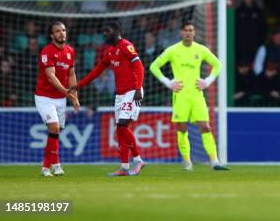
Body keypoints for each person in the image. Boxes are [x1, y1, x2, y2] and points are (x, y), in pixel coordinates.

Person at [149, 21, 227, 171]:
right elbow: (154, 66)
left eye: (191, 30)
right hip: (181, 95)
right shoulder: (173, 50)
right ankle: (187, 162)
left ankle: (214, 161)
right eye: (185, 30)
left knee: (205, 127)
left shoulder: (201, 50)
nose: (188, 33)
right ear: (181, 32)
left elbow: (218, 64)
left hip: (197, 95)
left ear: (194, 33)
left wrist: (208, 81)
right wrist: (168, 82)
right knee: (182, 128)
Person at [72, 21, 145, 176]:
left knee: (123, 125)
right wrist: (78, 86)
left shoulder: (126, 46)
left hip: (132, 91)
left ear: (118, 30)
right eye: (103, 31)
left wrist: (138, 88)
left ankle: (138, 159)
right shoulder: (109, 51)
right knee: (120, 130)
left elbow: (139, 67)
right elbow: (97, 71)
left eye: (108, 31)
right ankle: (124, 167)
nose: (104, 34)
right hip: (120, 94)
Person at [35, 21, 80, 177]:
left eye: (63, 30)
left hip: (61, 99)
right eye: (58, 31)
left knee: (56, 131)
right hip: (44, 97)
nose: (62, 33)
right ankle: (51, 166)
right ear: (51, 35)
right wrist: (67, 92)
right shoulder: (47, 52)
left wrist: (74, 97)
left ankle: (50, 166)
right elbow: (51, 76)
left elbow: (71, 74)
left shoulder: (70, 51)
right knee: (54, 128)